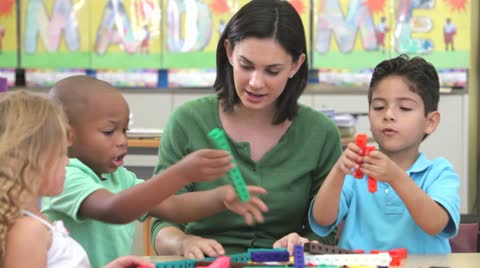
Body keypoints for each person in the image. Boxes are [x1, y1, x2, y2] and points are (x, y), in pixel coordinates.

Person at [150, 0, 342, 259]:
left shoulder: (320, 133)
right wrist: (183, 243)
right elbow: (162, 222)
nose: (255, 82)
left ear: (295, 65)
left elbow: (326, 229)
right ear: (229, 52)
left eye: (272, 71)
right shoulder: (187, 121)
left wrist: (304, 243)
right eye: (246, 65)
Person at [42, 75, 268, 267]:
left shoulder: (118, 177)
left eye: (125, 130)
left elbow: (174, 206)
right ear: (68, 135)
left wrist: (221, 197)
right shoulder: (65, 176)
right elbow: (114, 209)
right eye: (109, 131)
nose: (122, 141)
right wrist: (182, 173)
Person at [309, 55, 460, 254]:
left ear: (430, 122)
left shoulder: (439, 172)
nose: (388, 115)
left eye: (404, 107)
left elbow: (435, 224)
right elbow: (322, 218)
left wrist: (395, 176)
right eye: (379, 107)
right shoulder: (355, 171)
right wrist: (338, 170)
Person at [0, 91, 154, 268]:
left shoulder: (31, 224)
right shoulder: (28, 231)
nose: (66, 161)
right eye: (60, 153)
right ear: (31, 160)